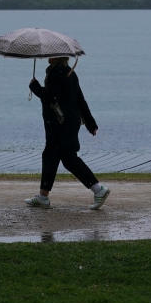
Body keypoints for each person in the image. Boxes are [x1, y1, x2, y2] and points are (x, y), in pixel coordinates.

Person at [26, 56, 110, 210]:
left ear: (57, 58)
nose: (48, 56)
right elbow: (80, 99)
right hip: (69, 122)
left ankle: (98, 189)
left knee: (63, 157)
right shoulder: (70, 73)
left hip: (59, 123)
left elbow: (50, 98)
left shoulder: (56, 73)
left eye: (51, 54)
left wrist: (35, 87)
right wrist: (90, 123)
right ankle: (43, 196)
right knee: (57, 156)